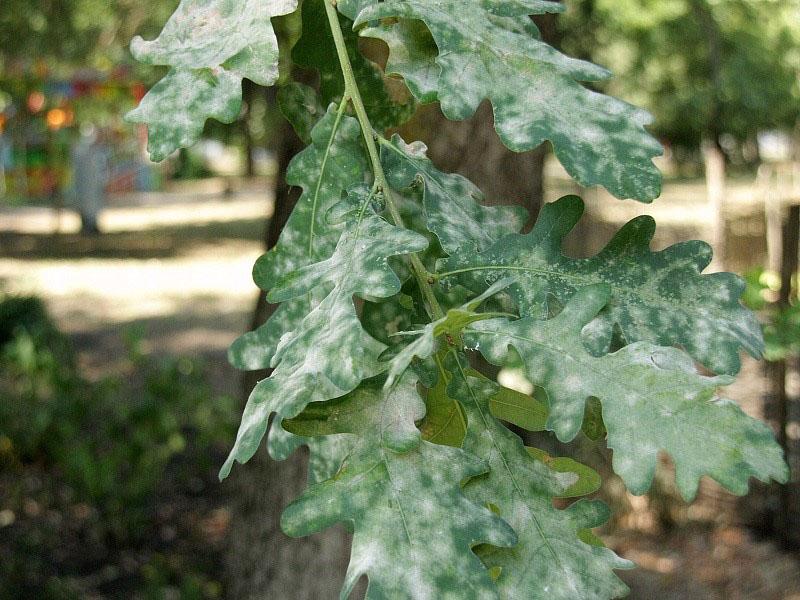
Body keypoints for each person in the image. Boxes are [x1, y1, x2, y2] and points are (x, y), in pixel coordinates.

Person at [70, 125, 110, 235]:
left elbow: (102, 168)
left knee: (93, 205)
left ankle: (92, 225)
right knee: (85, 205)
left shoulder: (96, 152)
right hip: (84, 184)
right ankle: (87, 225)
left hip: (93, 185)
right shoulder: (80, 150)